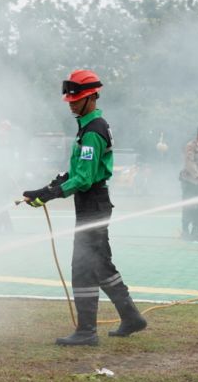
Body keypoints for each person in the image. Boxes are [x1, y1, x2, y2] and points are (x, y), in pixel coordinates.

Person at [22, 69, 147, 346]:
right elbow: (76, 172)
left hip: (94, 203)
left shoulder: (93, 131)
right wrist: (46, 190)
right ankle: (131, 317)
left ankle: (87, 331)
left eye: (76, 99)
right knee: (101, 264)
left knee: (83, 266)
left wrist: (53, 195)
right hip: (93, 203)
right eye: (69, 99)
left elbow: (85, 178)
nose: (71, 103)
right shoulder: (88, 128)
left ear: (91, 97)